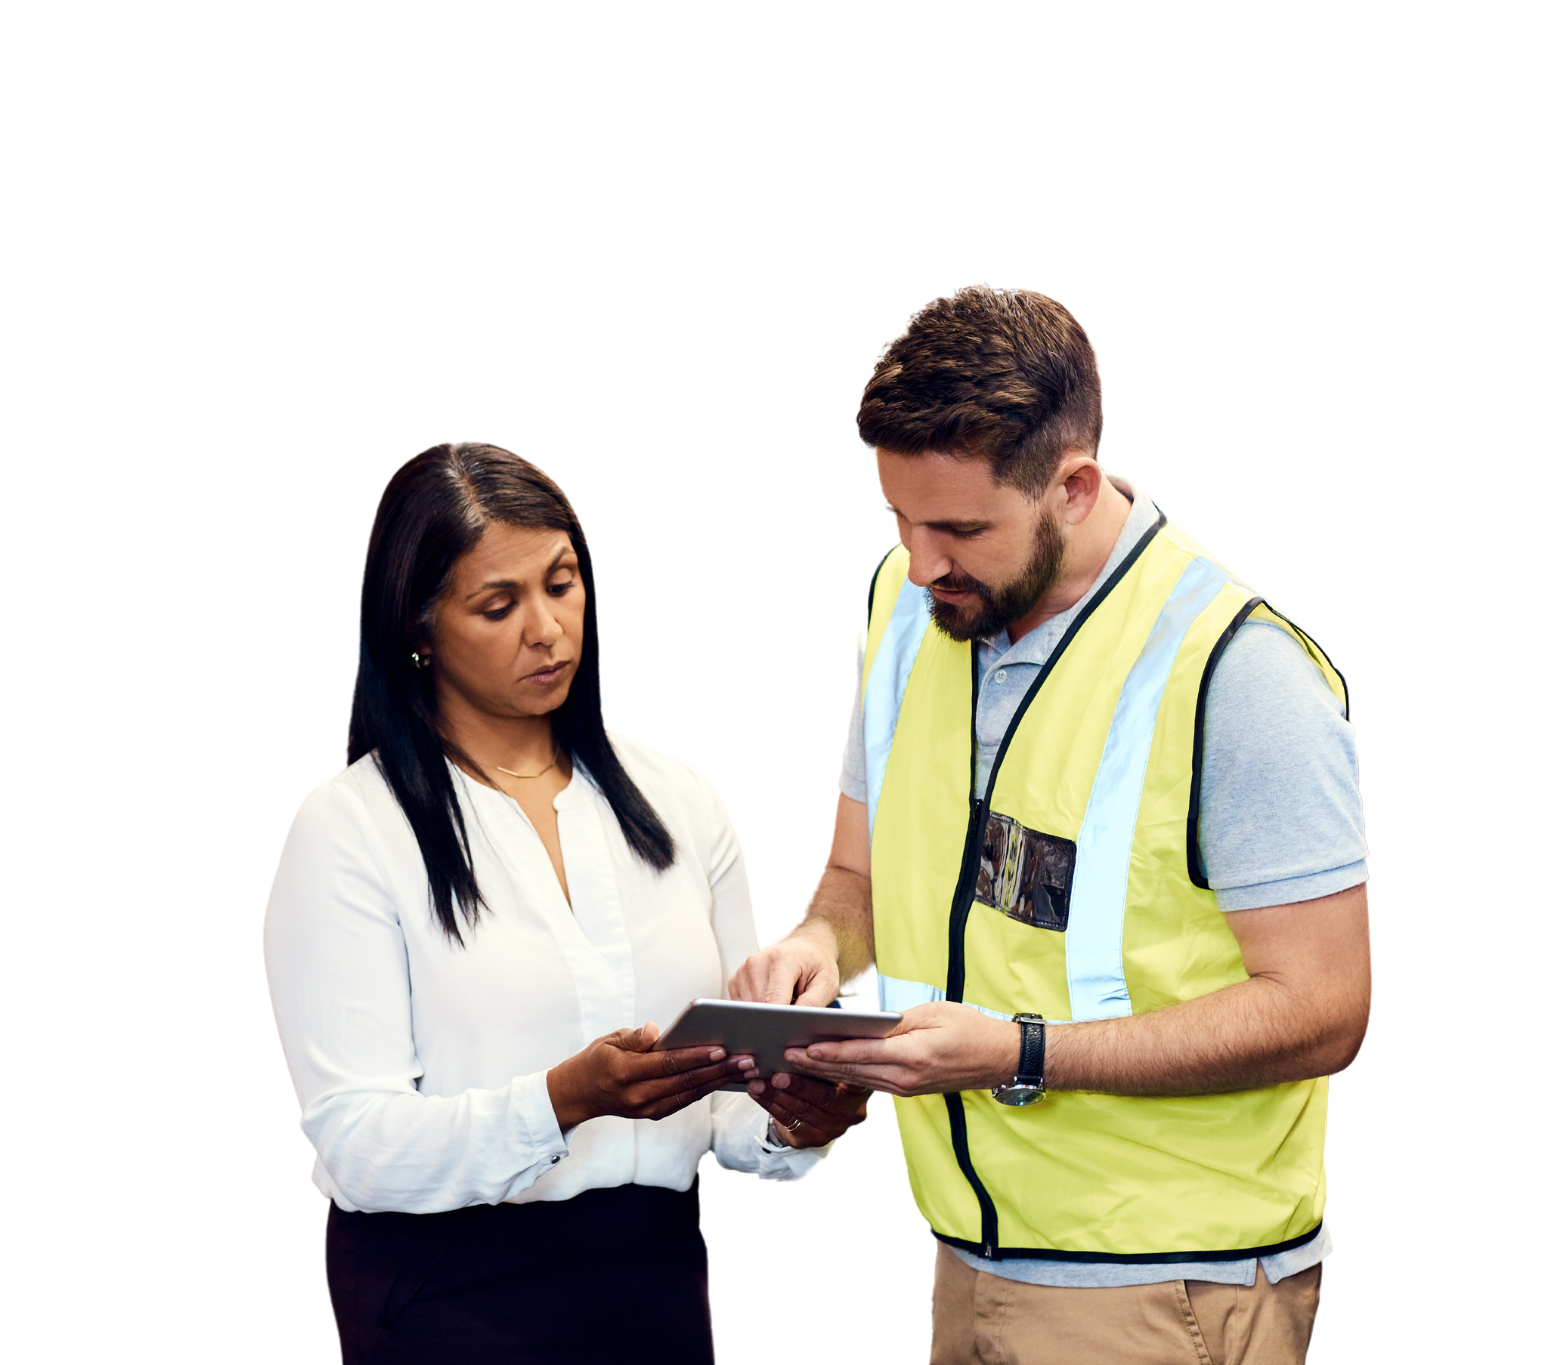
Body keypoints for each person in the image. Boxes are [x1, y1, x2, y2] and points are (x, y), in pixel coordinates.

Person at [729, 285, 1372, 1364]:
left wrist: (1021, 1052)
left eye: (961, 528)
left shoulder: (1238, 668)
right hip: (965, 1263)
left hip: (1171, 1294)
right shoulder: (906, 603)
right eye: (897, 517)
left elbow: (1324, 1010)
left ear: (1074, 486)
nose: (923, 558)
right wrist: (812, 950)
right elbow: (859, 875)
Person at [262, 441, 869, 1365]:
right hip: (446, 1293)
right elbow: (358, 1144)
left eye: (562, 582)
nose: (547, 628)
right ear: (416, 627)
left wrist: (794, 1115)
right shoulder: (350, 828)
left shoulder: (678, 797)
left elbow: (729, 1107)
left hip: (656, 1279)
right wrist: (558, 1102)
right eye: (498, 605)